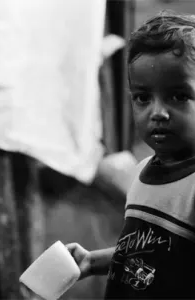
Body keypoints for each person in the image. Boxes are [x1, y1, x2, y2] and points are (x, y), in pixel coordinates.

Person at [67, 11, 195, 299]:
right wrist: (91, 261)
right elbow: (145, 254)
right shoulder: (141, 174)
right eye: (142, 98)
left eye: (178, 96)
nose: (157, 113)